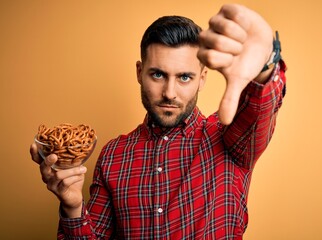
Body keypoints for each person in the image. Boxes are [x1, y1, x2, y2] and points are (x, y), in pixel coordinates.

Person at [30, 3, 287, 239]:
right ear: (140, 73)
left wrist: (266, 63)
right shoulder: (113, 155)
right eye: (158, 74)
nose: (170, 93)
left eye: (185, 77)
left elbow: (258, 111)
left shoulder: (230, 141)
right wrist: (72, 206)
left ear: (202, 78)